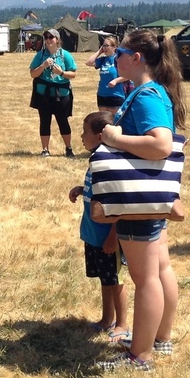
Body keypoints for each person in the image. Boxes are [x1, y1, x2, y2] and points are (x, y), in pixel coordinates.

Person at [96, 30, 185, 372]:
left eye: (119, 51)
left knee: (145, 277)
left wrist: (115, 136)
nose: (113, 56)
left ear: (136, 58)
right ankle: (158, 339)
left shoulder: (147, 95)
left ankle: (140, 356)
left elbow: (161, 144)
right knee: (160, 269)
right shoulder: (151, 91)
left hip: (138, 199)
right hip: (152, 196)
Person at [69, 111, 129, 343]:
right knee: (105, 279)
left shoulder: (107, 161)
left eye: (85, 132)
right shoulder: (96, 159)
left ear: (101, 135)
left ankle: (122, 324)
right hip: (94, 233)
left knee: (115, 279)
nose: (82, 136)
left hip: (108, 236)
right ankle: (107, 318)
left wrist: (113, 236)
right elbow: (99, 190)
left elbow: (117, 201)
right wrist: (82, 189)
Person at [28, 28, 77, 157]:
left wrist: (61, 73)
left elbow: (73, 74)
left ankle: (68, 148)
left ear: (57, 40)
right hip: (44, 93)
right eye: (46, 37)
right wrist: (43, 66)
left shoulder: (65, 55)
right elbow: (33, 74)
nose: (49, 40)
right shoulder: (40, 54)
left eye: (51, 37)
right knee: (44, 121)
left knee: (63, 121)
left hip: (61, 93)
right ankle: (45, 149)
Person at [85, 37, 127, 116]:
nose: (104, 48)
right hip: (102, 94)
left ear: (114, 47)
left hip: (115, 95)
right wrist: (99, 51)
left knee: (115, 121)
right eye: (103, 45)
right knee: (104, 121)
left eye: (107, 45)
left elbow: (128, 75)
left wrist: (116, 81)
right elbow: (88, 62)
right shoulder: (103, 60)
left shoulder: (119, 59)